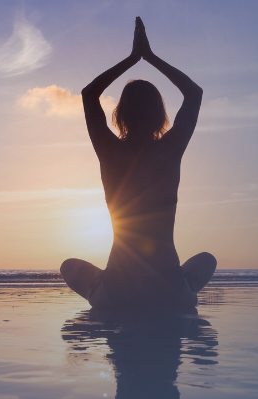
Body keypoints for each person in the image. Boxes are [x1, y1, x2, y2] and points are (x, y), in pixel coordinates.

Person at [60, 17, 216, 309]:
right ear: (161, 116)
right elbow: (194, 93)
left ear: (120, 115)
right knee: (207, 260)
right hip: (169, 292)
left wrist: (132, 58)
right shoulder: (170, 150)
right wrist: (151, 57)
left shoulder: (109, 150)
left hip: (118, 291)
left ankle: (100, 285)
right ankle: (187, 287)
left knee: (69, 265)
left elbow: (89, 94)